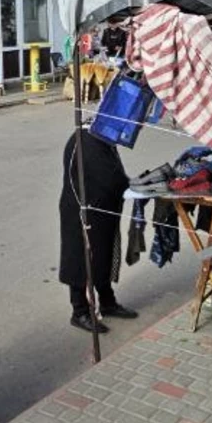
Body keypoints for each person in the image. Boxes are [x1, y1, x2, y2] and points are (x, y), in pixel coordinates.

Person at [57, 126, 139, 333]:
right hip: (81, 211)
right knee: (80, 260)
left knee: (103, 256)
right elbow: (109, 177)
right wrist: (133, 186)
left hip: (102, 209)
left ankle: (107, 302)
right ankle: (80, 311)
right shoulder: (86, 140)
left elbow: (115, 172)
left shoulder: (102, 138)